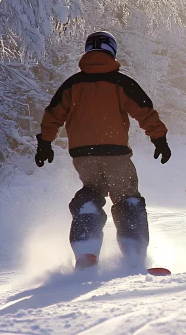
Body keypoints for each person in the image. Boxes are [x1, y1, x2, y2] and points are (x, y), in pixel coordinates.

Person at [35, 31, 172, 269]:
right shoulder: (121, 82)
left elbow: (52, 115)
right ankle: (133, 251)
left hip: (83, 155)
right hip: (115, 152)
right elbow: (144, 110)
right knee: (127, 197)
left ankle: (86, 249)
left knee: (91, 193)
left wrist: (45, 143)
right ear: (112, 51)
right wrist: (159, 138)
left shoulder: (72, 84)